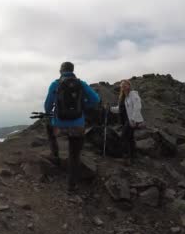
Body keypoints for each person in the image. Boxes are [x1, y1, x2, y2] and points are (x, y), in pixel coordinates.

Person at [44, 62, 100, 192]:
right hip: (77, 125)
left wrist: (51, 116)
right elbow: (95, 100)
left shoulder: (55, 84)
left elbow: (47, 105)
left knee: (50, 130)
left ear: (61, 71)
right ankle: (72, 185)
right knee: (74, 155)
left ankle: (55, 156)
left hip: (59, 125)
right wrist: (83, 105)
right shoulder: (81, 84)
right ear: (72, 70)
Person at [108, 79, 144, 164]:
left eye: (125, 84)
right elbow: (120, 109)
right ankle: (133, 156)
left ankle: (126, 157)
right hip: (124, 120)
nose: (123, 86)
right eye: (122, 85)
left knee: (124, 136)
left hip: (131, 120)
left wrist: (133, 119)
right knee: (130, 138)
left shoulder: (133, 94)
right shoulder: (123, 97)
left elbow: (137, 106)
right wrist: (110, 109)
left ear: (129, 86)